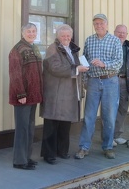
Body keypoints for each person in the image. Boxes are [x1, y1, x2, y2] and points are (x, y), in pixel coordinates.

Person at [74, 14, 123, 160]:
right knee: (89, 116)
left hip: (110, 81)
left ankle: (108, 147)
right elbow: (84, 62)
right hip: (93, 81)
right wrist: (83, 81)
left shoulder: (115, 41)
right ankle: (84, 147)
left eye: (101, 23)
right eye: (96, 23)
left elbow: (119, 62)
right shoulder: (89, 40)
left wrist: (104, 64)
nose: (99, 26)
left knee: (109, 116)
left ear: (107, 25)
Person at [40, 24, 89, 165]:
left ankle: (62, 151)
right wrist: (77, 69)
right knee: (51, 124)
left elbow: (76, 69)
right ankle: (49, 155)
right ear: (58, 36)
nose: (66, 38)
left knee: (64, 124)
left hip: (69, 94)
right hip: (55, 93)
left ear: (71, 36)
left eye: (68, 36)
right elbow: (55, 68)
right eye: (63, 36)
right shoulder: (52, 49)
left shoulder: (71, 50)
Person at [8, 23, 43, 170]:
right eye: (28, 31)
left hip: (33, 95)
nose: (31, 33)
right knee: (22, 129)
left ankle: (27, 157)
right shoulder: (17, 50)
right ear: (22, 33)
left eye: (34, 31)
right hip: (23, 96)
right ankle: (19, 161)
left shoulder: (33, 48)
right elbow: (15, 74)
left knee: (29, 128)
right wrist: (20, 94)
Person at [112, 25, 129, 146]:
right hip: (111, 80)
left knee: (122, 108)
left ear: (126, 34)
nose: (121, 34)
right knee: (110, 108)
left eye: (123, 32)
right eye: (119, 32)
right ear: (114, 32)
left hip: (124, 81)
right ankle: (108, 137)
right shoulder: (109, 45)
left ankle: (117, 135)